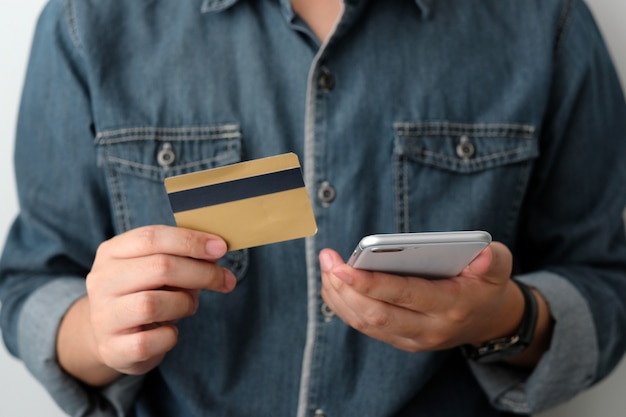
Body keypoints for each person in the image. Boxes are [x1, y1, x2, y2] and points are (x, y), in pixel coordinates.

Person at [1, 0, 625, 416]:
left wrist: (503, 321)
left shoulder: (545, 17)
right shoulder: (91, 18)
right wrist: (95, 332)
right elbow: (29, 283)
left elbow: (606, 284)